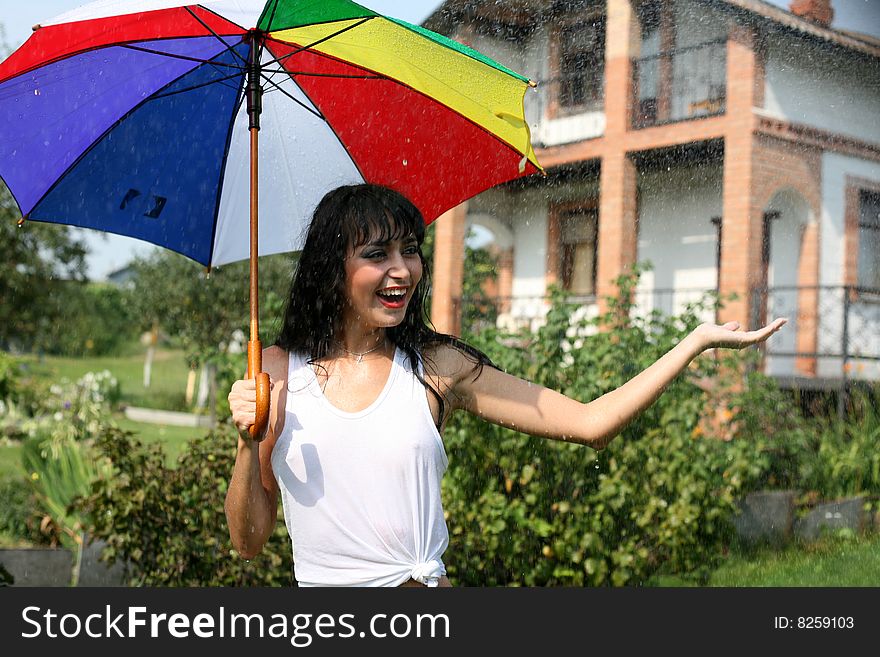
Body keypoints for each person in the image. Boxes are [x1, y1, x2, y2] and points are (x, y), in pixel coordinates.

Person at [225, 183, 787, 588]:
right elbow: (249, 543)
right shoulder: (276, 373)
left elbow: (591, 424)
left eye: (410, 250)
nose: (403, 270)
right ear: (330, 268)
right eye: (377, 255)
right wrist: (249, 446)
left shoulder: (435, 365)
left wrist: (693, 342)